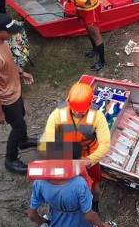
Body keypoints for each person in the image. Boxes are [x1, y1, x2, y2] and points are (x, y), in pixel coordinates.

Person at [38, 82, 111, 210]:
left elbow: (105, 144)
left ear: (90, 104)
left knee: (95, 188)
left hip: (89, 158)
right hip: (67, 157)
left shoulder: (97, 117)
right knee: (69, 188)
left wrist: (89, 160)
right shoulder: (57, 114)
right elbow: (47, 140)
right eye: (75, 111)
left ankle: (95, 205)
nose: (78, 114)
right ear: (69, 103)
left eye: (82, 112)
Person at [0, 13, 35, 174]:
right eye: (10, 31)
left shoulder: (1, 40)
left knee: (21, 117)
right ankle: (11, 159)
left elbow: (10, 63)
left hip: (15, 89)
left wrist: (21, 72)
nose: (13, 33)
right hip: (7, 99)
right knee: (17, 127)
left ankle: (23, 141)